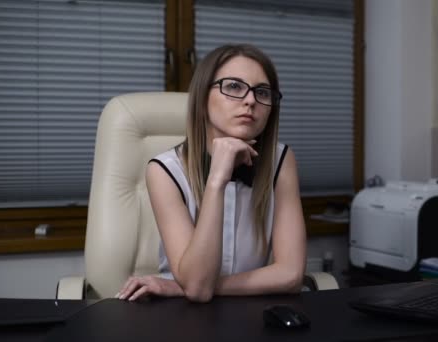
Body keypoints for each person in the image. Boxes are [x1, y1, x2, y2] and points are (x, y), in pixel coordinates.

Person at [115, 44, 307, 302]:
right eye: (234, 87)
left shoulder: (281, 160)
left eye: (262, 92)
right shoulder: (163, 170)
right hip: (180, 316)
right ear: (202, 97)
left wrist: (184, 287)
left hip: (249, 308)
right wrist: (217, 180)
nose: (250, 100)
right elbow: (197, 289)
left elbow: (291, 275)